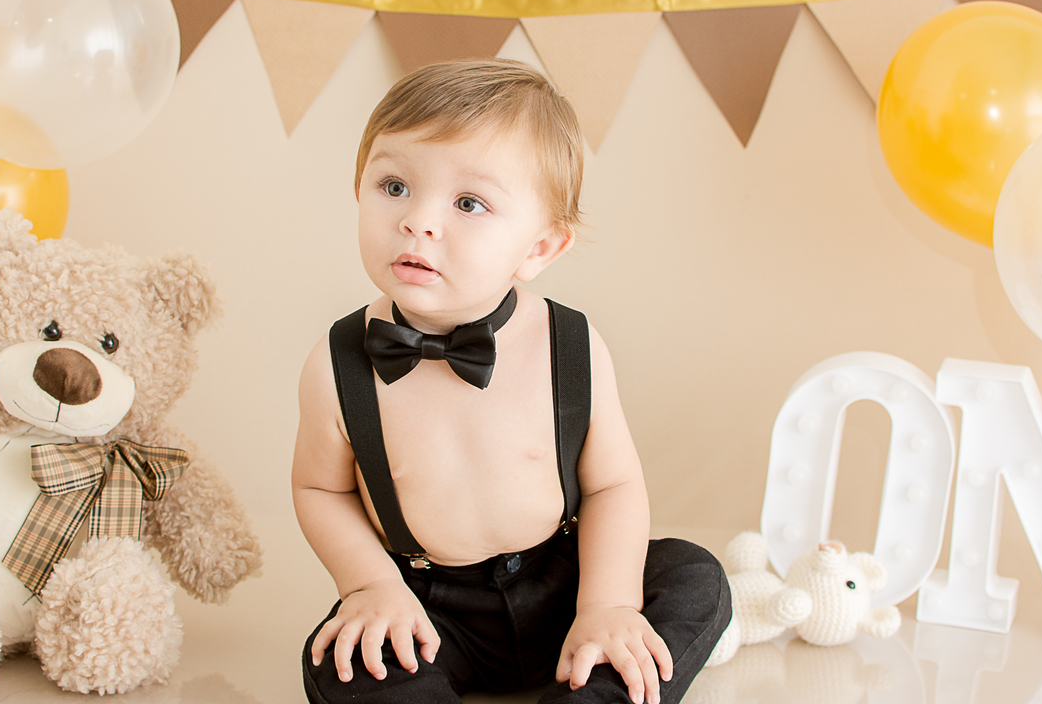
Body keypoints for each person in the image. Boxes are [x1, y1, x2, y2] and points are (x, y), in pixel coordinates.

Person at [292, 58, 730, 704]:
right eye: (394, 186)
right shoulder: (337, 363)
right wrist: (370, 585)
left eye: (469, 203)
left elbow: (612, 485)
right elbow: (320, 489)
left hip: (567, 583)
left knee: (695, 574)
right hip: (427, 609)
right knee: (345, 658)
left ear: (539, 249)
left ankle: (593, 691)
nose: (418, 221)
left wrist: (607, 604)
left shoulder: (569, 345)